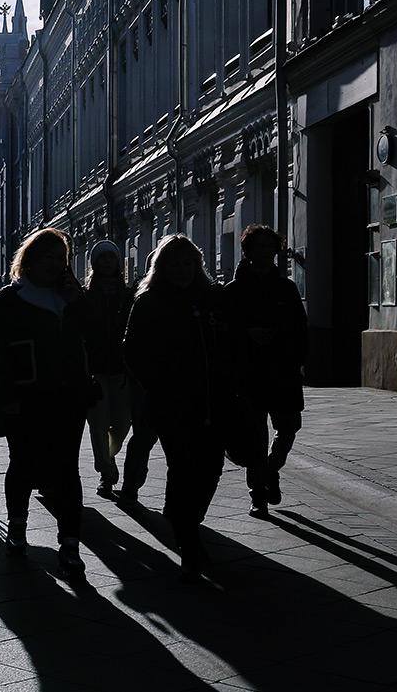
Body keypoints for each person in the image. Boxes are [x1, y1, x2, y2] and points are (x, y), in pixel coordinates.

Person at [0, 229, 92, 577]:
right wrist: (6, 394)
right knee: (23, 464)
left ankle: (70, 543)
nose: (55, 265)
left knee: (67, 469)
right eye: (47, 257)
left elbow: (96, 338)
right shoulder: (9, 300)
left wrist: (80, 304)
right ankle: (17, 527)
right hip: (25, 398)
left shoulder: (71, 300)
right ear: (29, 261)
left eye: (60, 258)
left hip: (68, 398)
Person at [123, 235, 230, 580]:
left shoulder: (214, 299)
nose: (183, 270)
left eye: (189, 263)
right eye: (175, 264)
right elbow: (134, 351)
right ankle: (188, 541)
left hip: (214, 400)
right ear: (162, 267)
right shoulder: (150, 302)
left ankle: (184, 519)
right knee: (183, 467)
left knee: (211, 468)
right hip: (171, 403)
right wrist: (158, 385)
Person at [225, 225, 307, 518]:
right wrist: (249, 334)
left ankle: (271, 469)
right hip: (248, 376)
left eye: (269, 248)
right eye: (258, 247)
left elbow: (300, 328)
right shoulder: (232, 292)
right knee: (255, 438)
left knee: (289, 429)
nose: (265, 253)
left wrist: (292, 352)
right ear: (247, 251)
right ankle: (258, 495)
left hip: (282, 372)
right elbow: (224, 333)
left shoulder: (286, 288)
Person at [81, 241, 134, 499]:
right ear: (95, 264)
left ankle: (109, 458)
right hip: (95, 369)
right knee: (99, 424)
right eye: (102, 259)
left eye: (111, 259)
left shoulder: (128, 295)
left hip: (122, 367)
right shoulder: (86, 295)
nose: (107, 263)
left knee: (122, 422)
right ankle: (105, 472)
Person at [117, 251, 159, 506]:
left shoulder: (195, 298)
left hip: (181, 384)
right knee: (144, 435)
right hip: (148, 383)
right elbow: (130, 345)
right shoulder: (142, 299)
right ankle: (130, 487)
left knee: (147, 437)